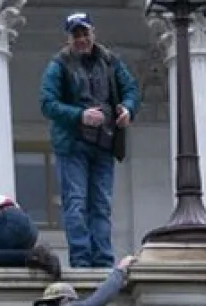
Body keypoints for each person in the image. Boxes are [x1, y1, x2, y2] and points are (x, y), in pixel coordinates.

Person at [39, 12, 140, 269]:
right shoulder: (58, 65)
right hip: (73, 146)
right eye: (76, 34)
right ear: (68, 38)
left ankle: (104, 260)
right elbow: (47, 104)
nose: (81, 39)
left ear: (93, 33)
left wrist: (127, 108)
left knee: (101, 205)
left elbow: (130, 89)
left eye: (85, 33)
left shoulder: (110, 61)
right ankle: (82, 261)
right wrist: (80, 115)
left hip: (104, 144)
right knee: (75, 202)